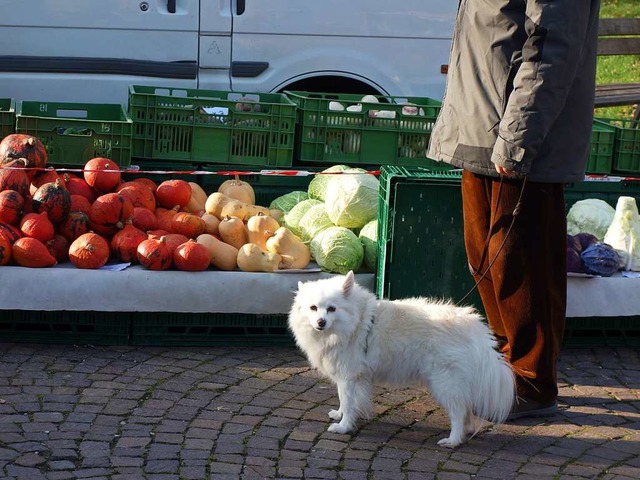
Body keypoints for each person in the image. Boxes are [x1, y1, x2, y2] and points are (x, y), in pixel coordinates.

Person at [427, 0, 601, 419]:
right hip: (480, 122)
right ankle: (506, 369)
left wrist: (517, 135)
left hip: (516, 133)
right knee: (487, 259)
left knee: (520, 264)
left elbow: (552, 45)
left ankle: (531, 381)